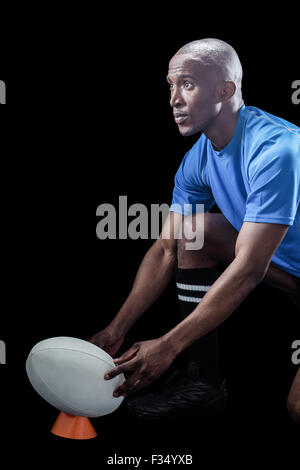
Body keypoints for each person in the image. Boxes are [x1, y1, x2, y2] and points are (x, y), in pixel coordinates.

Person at [91, 39, 300, 424]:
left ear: (226, 90)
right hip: (291, 274)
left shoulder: (276, 150)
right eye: (170, 86)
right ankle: (204, 385)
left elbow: (250, 268)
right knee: (191, 232)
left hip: (272, 266)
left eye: (187, 84)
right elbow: (167, 248)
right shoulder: (199, 158)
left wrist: (168, 345)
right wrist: (116, 329)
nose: (173, 99)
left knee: (296, 409)